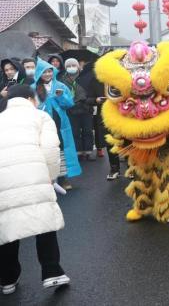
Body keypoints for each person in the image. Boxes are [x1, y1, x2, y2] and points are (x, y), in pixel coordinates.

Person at [0, 84, 70, 294]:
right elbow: (50, 150)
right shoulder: (40, 117)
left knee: (7, 226)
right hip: (35, 175)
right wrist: (50, 176)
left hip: (3, 180)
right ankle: (52, 272)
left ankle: (7, 279)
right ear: (30, 98)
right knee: (43, 223)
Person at [33, 58, 81, 188]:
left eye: (50, 71)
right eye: (44, 72)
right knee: (45, 149)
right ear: (39, 73)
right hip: (42, 124)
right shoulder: (33, 88)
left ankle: (63, 178)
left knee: (61, 148)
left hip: (60, 124)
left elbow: (69, 104)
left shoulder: (61, 86)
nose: (48, 74)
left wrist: (61, 96)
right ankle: (47, 179)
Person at [60, 58, 95, 161]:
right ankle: (78, 152)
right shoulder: (62, 80)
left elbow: (91, 91)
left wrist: (85, 99)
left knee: (87, 131)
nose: (71, 68)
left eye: (73, 65)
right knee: (75, 132)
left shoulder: (85, 77)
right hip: (71, 109)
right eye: (69, 66)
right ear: (65, 68)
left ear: (78, 66)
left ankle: (88, 151)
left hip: (86, 108)